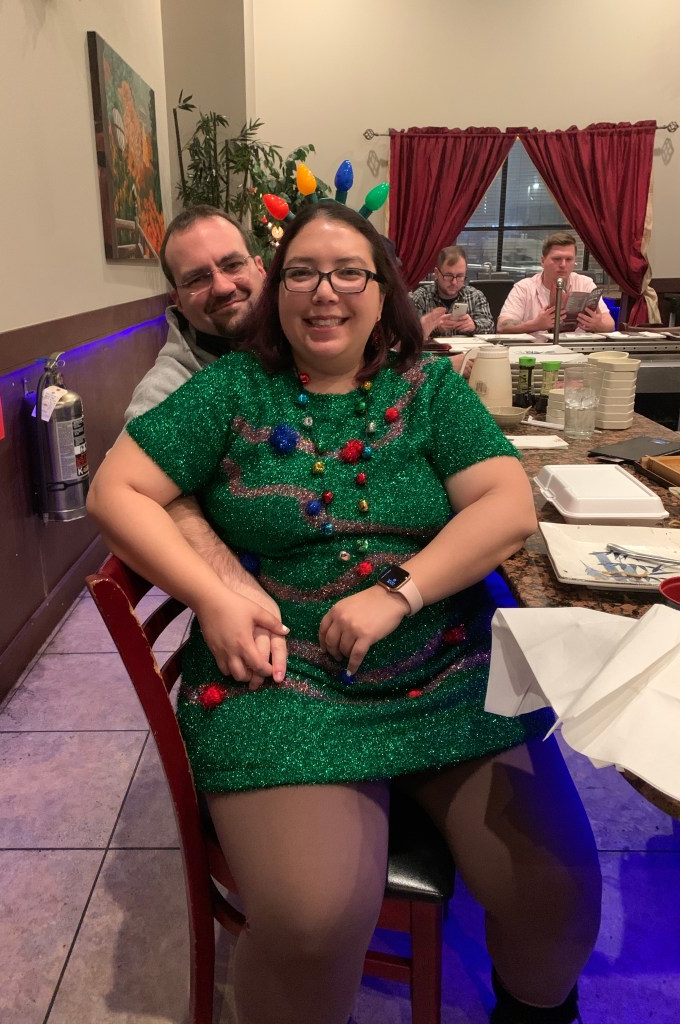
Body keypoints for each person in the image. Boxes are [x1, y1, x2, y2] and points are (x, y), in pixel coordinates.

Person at [88, 203, 601, 1024]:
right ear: (278, 289)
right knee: (312, 922)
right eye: (302, 273)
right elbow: (115, 489)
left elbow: (508, 506)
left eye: (349, 272)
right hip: (284, 674)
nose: (324, 292)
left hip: (445, 663)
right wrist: (215, 595)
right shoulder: (230, 389)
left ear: (383, 289)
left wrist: (399, 591)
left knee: (559, 893)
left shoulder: (427, 386)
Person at [124, 205, 266, 422]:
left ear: (260, 269)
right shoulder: (164, 396)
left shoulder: (302, 344)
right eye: (197, 279)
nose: (222, 287)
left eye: (233, 265)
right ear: (178, 301)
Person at [497, 232, 615, 339]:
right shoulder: (524, 287)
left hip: (577, 348)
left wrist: (598, 324)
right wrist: (535, 325)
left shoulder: (585, 283)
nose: (563, 265)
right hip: (536, 350)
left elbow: (610, 324)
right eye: (557, 259)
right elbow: (502, 326)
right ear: (543, 261)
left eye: (569, 259)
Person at [410, 244, 495, 340]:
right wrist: (434, 328)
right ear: (437, 273)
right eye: (448, 276)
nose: (454, 282)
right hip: (433, 349)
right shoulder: (421, 297)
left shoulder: (475, 296)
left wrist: (474, 326)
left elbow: (491, 328)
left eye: (460, 276)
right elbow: (408, 332)